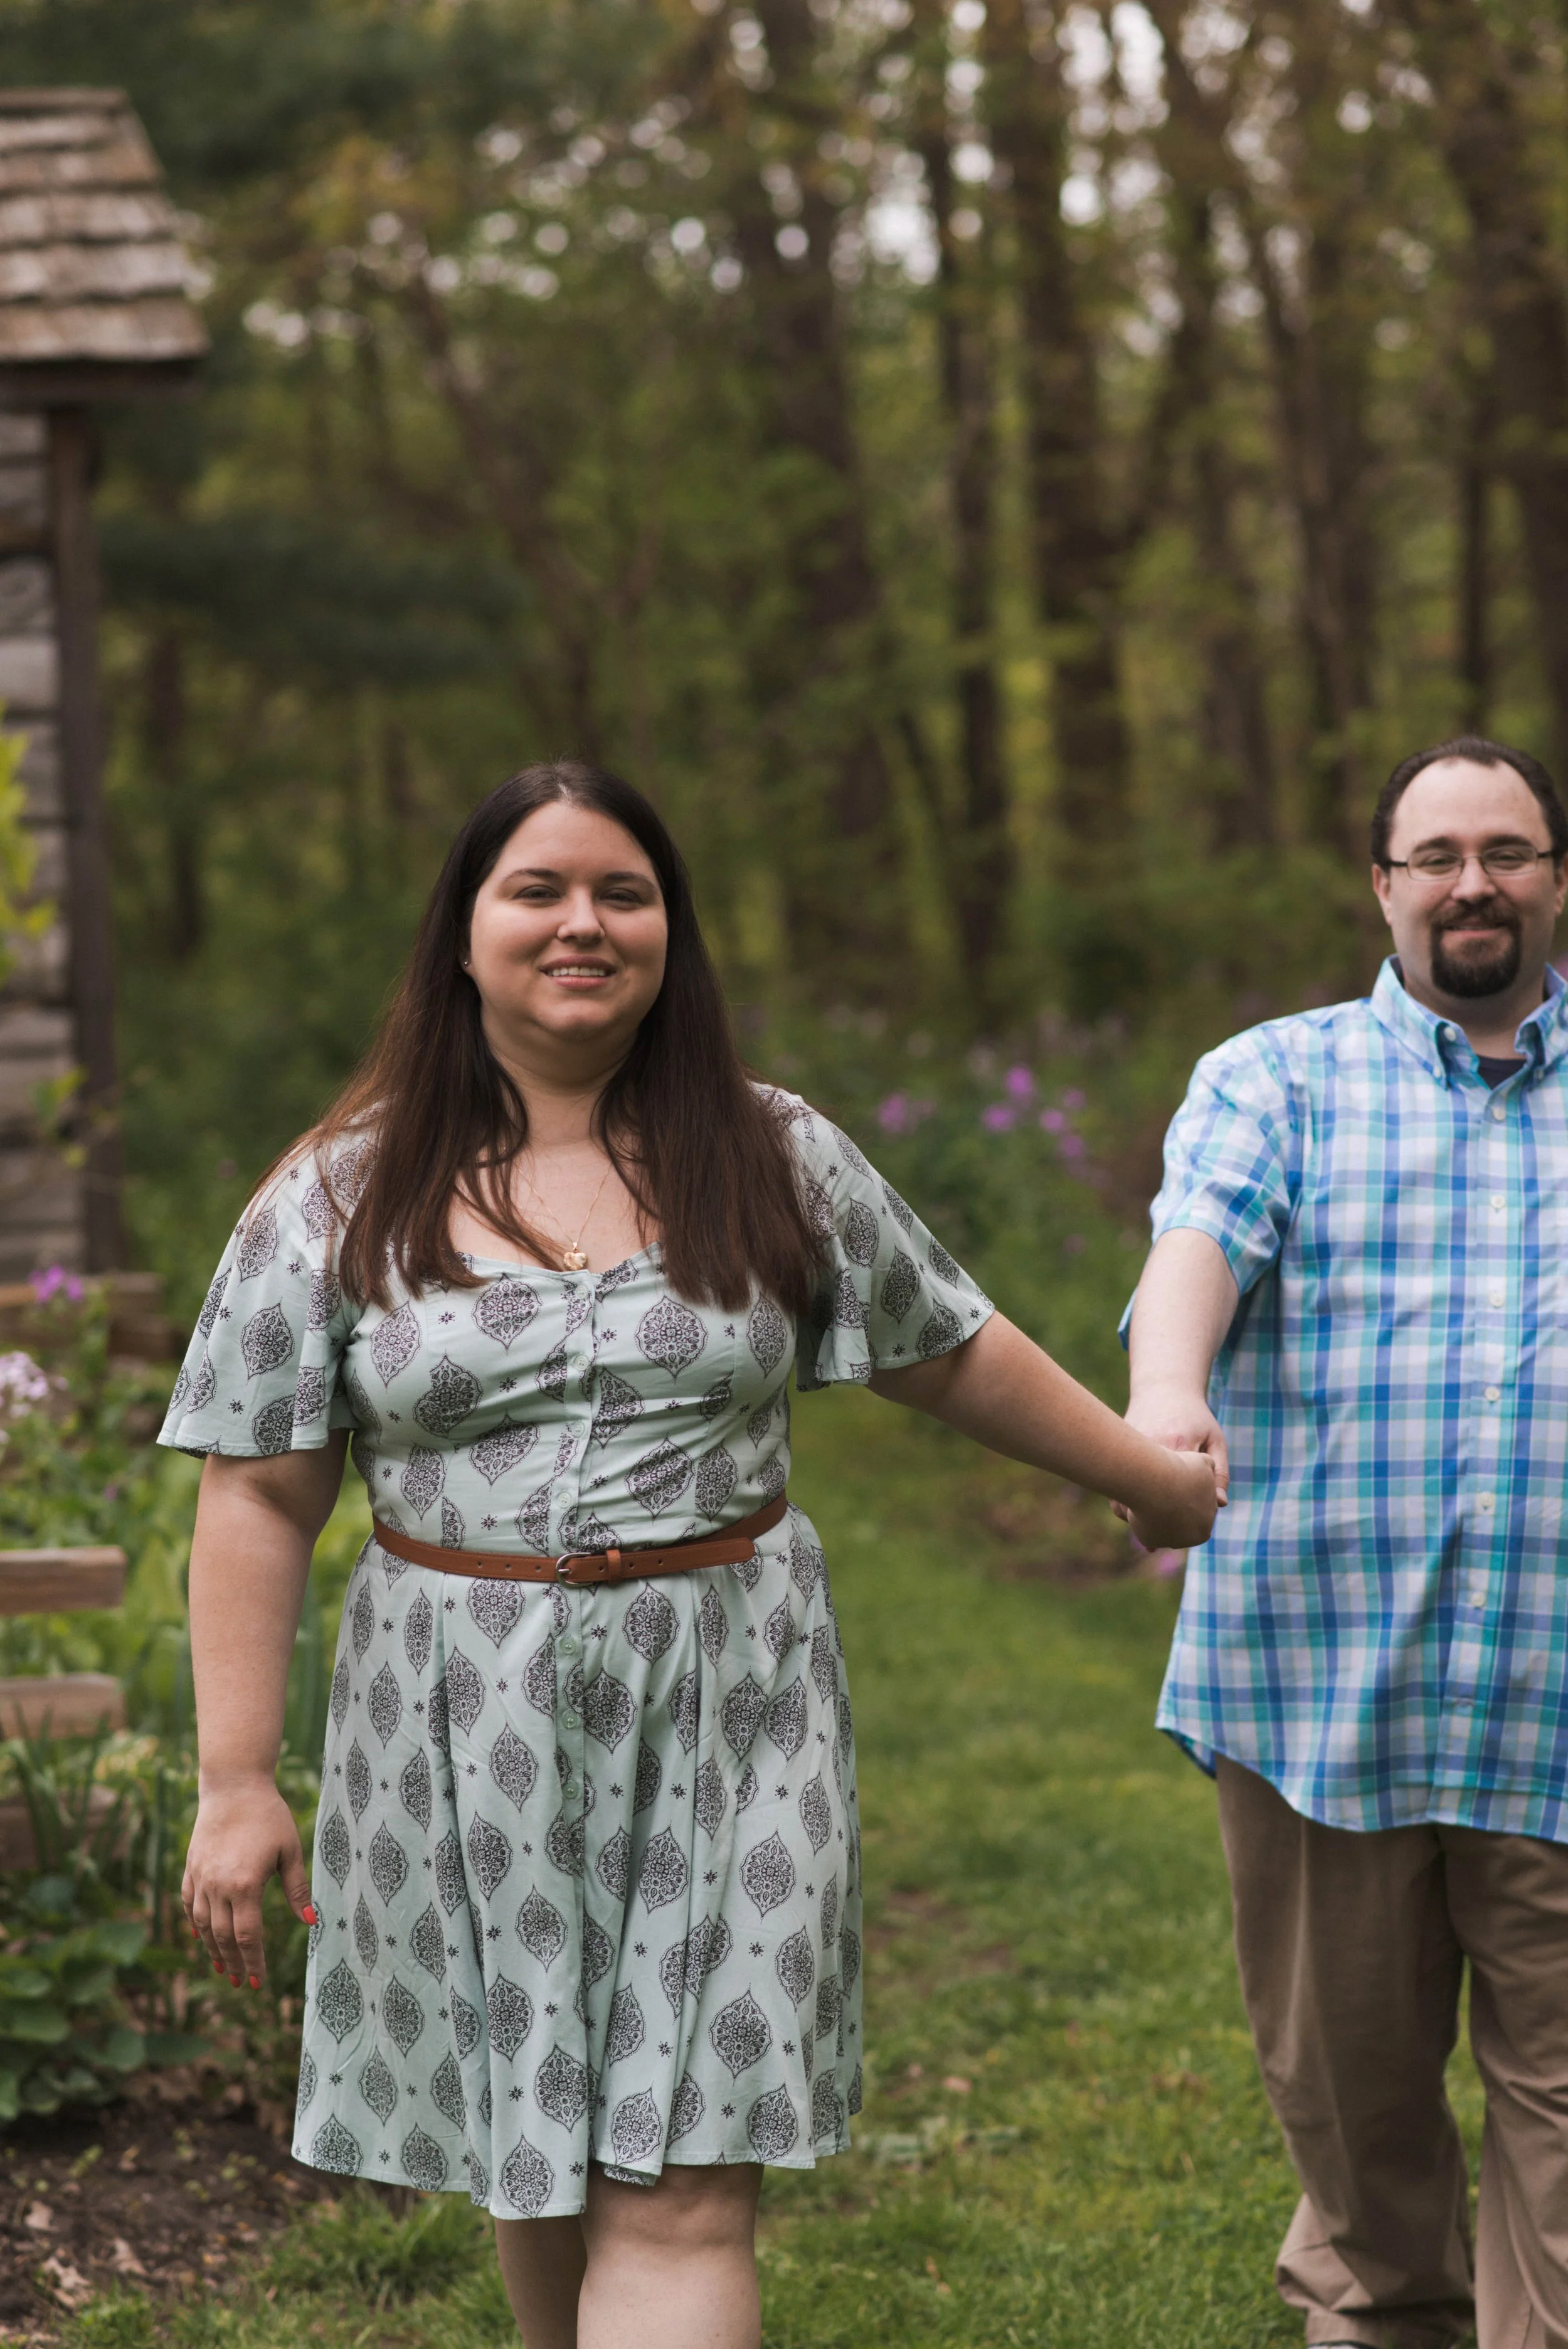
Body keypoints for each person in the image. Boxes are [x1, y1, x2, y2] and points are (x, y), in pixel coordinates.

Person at [167, 759, 1217, 2349]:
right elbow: (256, 1491)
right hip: (456, 1711)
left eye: (623, 892)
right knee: (539, 2154)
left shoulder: (770, 1152)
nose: (581, 922)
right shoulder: (337, 1193)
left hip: (734, 1697)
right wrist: (236, 1779)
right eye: (537, 889)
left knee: (680, 2181)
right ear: (462, 935)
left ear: (671, 932)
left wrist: (1143, 1478)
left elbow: (945, 1345)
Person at [1123, 736, 1568, 2349]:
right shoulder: (1275, 1079)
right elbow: (1196, 1248)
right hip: (1322, 1703)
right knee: (1360, 2146)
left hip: (1555, 1701)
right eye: (1435, 854)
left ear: (1551, 879)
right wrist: (1164, 1400)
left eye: (1506, 850)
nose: (1471, 882)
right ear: (1381, 886)